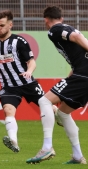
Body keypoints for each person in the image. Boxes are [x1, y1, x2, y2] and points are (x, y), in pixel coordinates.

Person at [0, 9, 57, 158]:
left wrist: (29, 71)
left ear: (10, 25)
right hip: (9, 86)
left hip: (27, 83)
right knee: (8, 110)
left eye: (2, 25)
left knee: (51, 108)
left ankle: (63, 117)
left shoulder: (19, 41)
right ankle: (13, 141)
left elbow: (31, 61)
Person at [26, 6, 87, 164]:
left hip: (83, 75)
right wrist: (69, 78)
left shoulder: (55, 30)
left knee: (44, 101)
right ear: (62, 17)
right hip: (80, 75)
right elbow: (78, 56)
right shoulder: (66, 26)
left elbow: (75, 36)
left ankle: (47, 147)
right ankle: (78, 156)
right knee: (63, 113)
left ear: (46, 20)